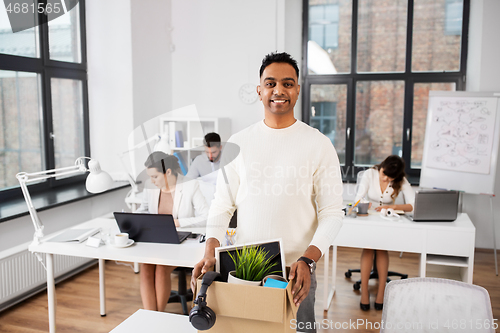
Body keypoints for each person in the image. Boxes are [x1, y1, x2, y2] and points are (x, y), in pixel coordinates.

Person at [190, 52, 344, 333]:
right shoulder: (239, 143)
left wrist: (308, 260)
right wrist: (210, 247)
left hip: (296, 272)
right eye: (270, 83)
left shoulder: (318, 144)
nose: (279, 90)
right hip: (246, 270)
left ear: (297, 90)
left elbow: (333, 213)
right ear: (259, 90)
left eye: (288, 83)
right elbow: (222, 205)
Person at [136, 151, 209, 311]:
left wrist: (178, 222)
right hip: (157, 240)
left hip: (180, 242)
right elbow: (144, 210)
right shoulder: (151, 187)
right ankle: (150, 316)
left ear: (168, 172)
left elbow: (206, 216)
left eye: (155, 176)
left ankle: (158, 314)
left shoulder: (190, 185)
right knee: (146, 266)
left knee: (161, 268)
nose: (152, 181)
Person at [354, 155, 415, 311]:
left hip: (387, 221)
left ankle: (382, 293)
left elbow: (413, 205)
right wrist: (362, 204)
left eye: (390, 178)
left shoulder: (400, 180)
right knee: (368, 247)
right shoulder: (370, 174)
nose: (385, 179)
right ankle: (364, 293)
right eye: (383, 174)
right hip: (369, 218)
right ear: (381, 167)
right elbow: (358, 197)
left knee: (381, 248)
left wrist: (393, 207)